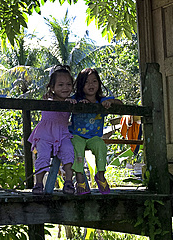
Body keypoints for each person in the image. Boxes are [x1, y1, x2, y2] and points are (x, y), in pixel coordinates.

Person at [70, 68, 123, 195]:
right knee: (77, 148)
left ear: (99, 83)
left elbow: (120, 103)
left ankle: (100, 175)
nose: (91, 85)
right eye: (87, 82)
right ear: (81, 85)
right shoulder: (76, 98)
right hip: (77, 135)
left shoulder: (102, 100)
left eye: (94, 81)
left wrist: (110, 102)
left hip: (94, 137)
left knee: (101, 146)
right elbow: (66, 102)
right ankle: (79, 178)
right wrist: (75, 103)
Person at [28, 65, 77, 195]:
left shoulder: (71, 101)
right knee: (42, 155)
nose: (65, 88)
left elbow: (81, 103)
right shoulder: (48, 99)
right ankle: (38, 183)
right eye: (60, 85)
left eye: (68, 84)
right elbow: (47, 99)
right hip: (45, 133)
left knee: (68, 151)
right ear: (52, 87)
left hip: (62, 133)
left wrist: (75, 102)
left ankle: (68, 182)